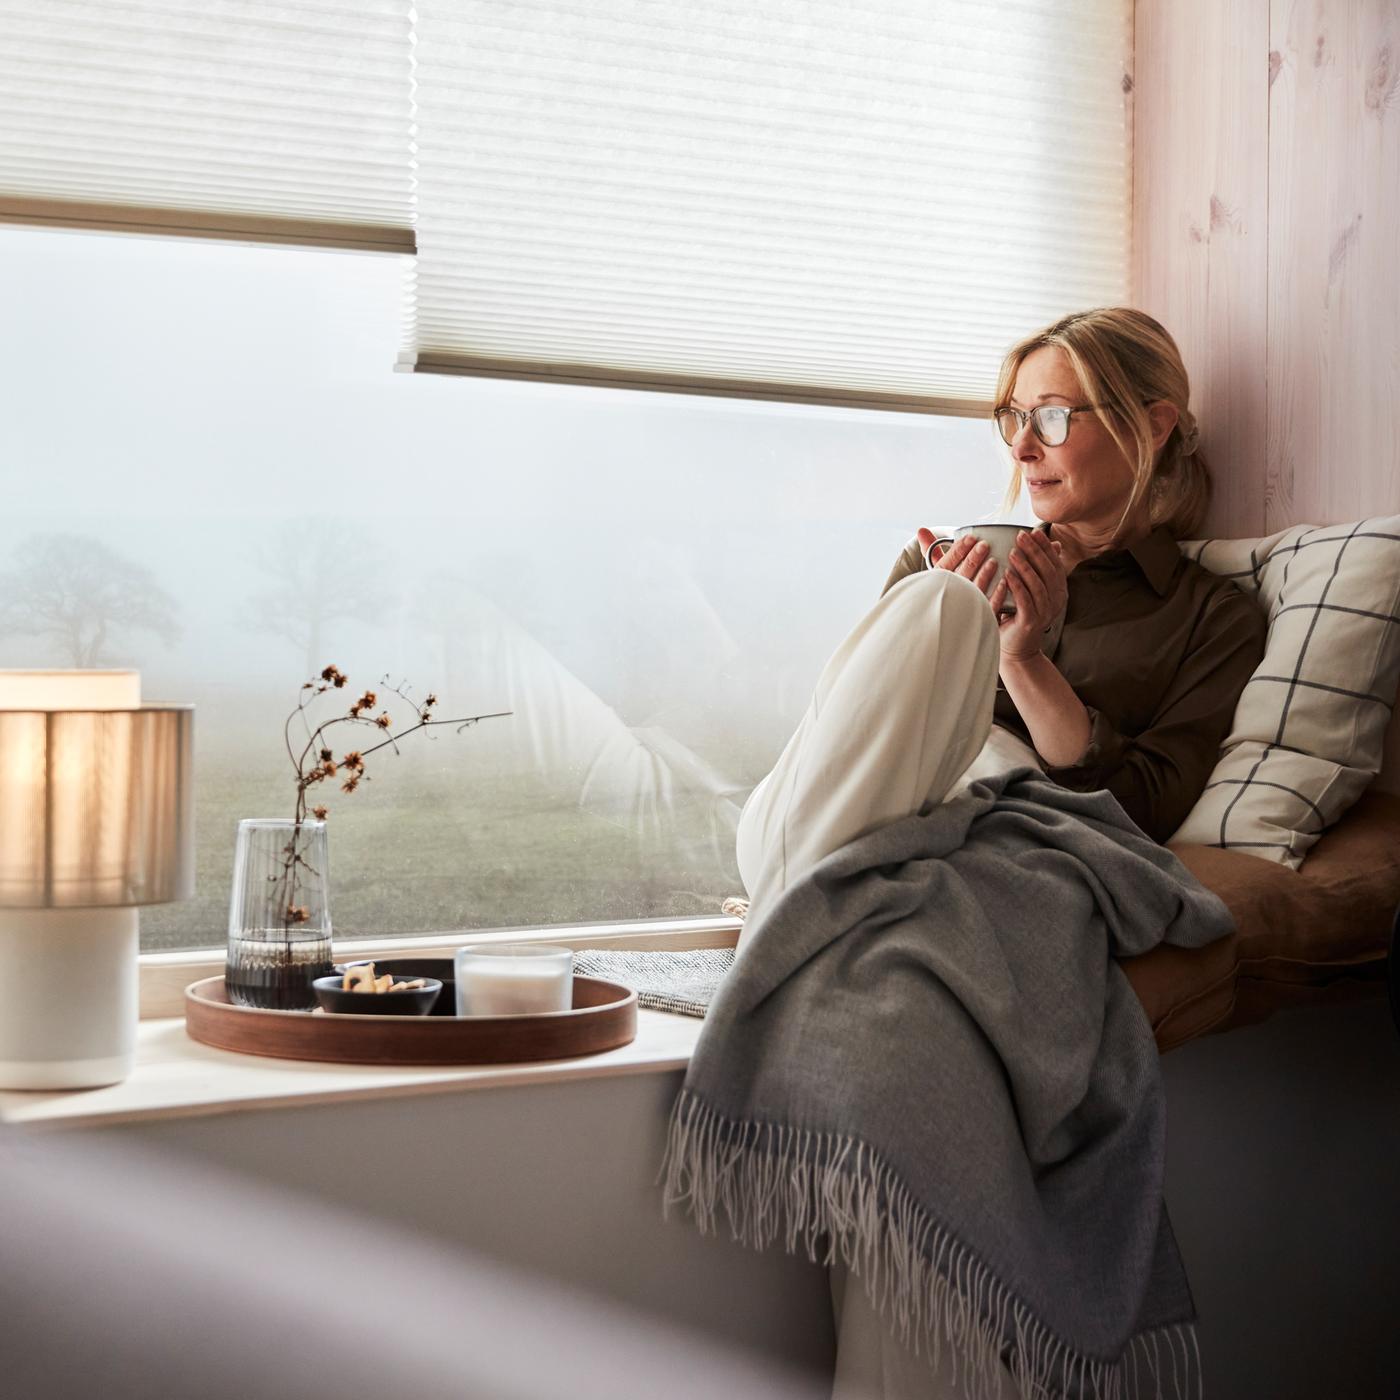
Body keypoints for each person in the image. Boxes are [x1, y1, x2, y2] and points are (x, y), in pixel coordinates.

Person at [731, 306, 1268, 1399]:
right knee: (933, 603)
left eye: (1054, 416)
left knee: (903, 1067)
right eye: (1010, 417)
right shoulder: (946, 561)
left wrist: (1023, 658)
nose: (1022, 446)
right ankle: (803, 880)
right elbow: (854, 736)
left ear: (1154, 425)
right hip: (862, 816)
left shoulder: (1207, 615)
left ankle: (802, 899)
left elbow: (1142, 807)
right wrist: (957, 615)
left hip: (1011, 823)